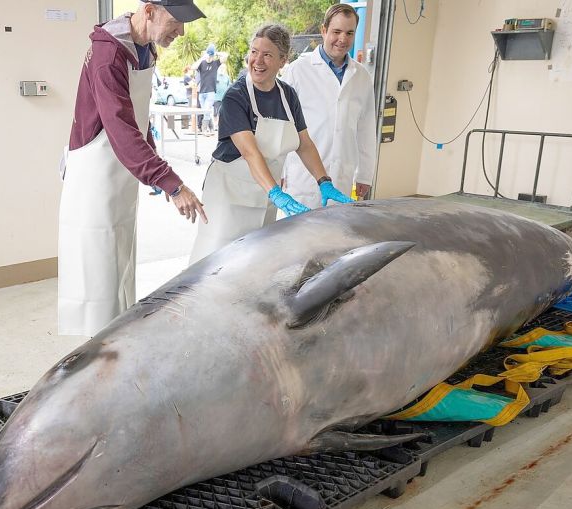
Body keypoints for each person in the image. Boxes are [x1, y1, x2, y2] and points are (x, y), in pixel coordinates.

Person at [59, 0, 208, 337]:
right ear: (150, 11)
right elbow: (120, 129)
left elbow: (138, 117)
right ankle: (95, 358)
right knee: (97, 275)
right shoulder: (108, 55)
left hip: (119, 173)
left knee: (120, 266)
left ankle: (115, 344)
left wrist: (152, 158)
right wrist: (171, 183)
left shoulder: (144, 50)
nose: (181, 31)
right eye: (176, 21)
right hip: (95, 175)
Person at [189, 23, 352, 265]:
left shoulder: (287, 95)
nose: (258, 61)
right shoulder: (236, 96)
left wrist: (324, 182)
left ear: (283, 60)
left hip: (264, 195)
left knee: (254, 263)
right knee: (216, 263)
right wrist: (278, 194)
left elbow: (304, 143)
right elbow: (250, 152)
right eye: (254, 52)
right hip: (230, 195)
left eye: (267, 54)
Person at [281, 3, 378, 206]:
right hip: (302, 178)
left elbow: (366, 129)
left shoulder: (361, 77)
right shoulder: (298, 71)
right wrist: (279, 171)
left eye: (349, 33)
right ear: (324, 31)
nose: (343, 39)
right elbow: (283, 125)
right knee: (299, 235)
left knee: (336, 235)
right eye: (336, 31)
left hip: (342, 176)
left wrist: (365, 174)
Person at [195, 44, 222, 134]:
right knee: (206, 112)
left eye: (211, 55)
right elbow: (193, 67)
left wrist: (216, 53)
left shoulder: (216, 63)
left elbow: (225, 56)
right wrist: (203, 58)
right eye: (209, 55)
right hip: (202, 92)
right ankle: (211, 128)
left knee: (206, 111)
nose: (210, 57)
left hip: (211, 91)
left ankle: (204, 129)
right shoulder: (202, 63)